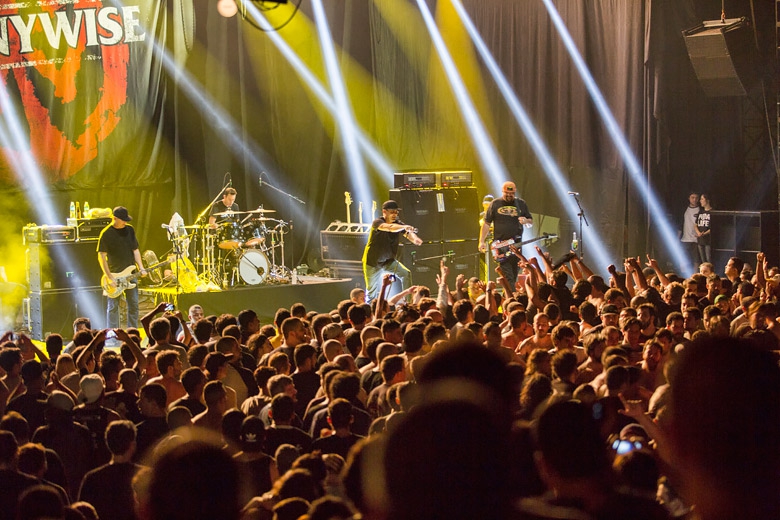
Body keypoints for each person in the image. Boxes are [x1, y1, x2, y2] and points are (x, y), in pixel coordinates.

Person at [362, 200, 423, 301]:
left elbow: (408, 233)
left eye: (396, 212)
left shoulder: (398, 224)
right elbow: (389, 228)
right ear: (384, 212)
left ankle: (408, 303)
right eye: (392, 212)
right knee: (371, 292)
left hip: (388, 261)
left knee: (406, 274)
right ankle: (370, 313)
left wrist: (414, 238)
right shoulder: (378, 222)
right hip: (372, 263)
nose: (395, 215)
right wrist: (404, 227)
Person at [97, 206, 147, 329]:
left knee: (134, 304)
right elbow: (102, 257)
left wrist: (141, 267)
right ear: (114, 218)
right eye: (123, 220)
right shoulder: (106, 233)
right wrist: (109, 277)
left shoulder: (130, 230)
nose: (125, 222)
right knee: (113, 306)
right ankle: (112, 334)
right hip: (114, 274)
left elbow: (135, 250)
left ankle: (132, 332)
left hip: (131, 274)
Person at [478, 181, 533, 286]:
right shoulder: (495, 204)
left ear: (515, 192)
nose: (509, 196)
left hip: (516, 246)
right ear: (502, 191)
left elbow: (530, 222)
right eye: (506, 193)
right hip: (501, 246)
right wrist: (481, 241)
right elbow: (486, 224)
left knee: (514, 275)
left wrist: (526, 221)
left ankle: (508, 296)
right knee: (509, 277)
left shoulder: (521, 204)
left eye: (511, 194)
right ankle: (512, 297)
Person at [680, 192, 699, 274]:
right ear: (689, 198)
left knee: (696, 260)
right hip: (685, 238)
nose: (694, 200)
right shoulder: (684, 209)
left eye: (696, 198)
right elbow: (680, 223)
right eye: (692, 197)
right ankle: (683, 276)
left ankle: (694, 276)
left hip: (696, 239)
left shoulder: (700, 210)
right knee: (684, 259)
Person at [695, 193, 712, 264]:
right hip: (700, 239)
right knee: (703, 259)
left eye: (702, 199)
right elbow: (695, 224)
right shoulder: (700, 212)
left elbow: (713, 227)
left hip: (708, 239)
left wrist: (704, 233)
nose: (700, 201)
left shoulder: (712, 212)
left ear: (707, 200)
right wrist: (698, 233)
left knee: (709, 258)